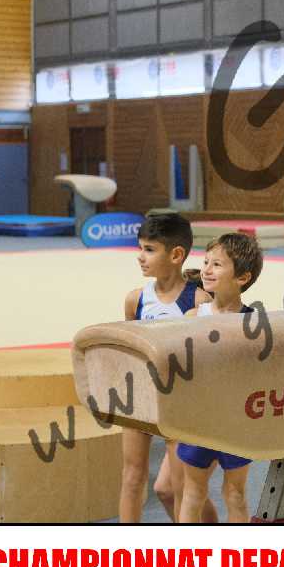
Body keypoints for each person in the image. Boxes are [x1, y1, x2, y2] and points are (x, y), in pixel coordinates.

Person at [119, 212, 215, 523]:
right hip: (141, 397)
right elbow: (130, 349)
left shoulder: (198, 301)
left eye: (149, 249)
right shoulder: (135, 300)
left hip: (179, 401)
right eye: (140, 248)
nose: (140, 256)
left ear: (176, 255)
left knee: (178, 487)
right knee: (132, 477)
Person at [177, 232, 264, 524]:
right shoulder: (192, 317)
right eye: (205, 262)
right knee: (193, 493)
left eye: (217, 264)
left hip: (237, 420)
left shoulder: (254, 322)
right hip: (198, 418)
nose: (207, 270)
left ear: (242, 277)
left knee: (235, 494)